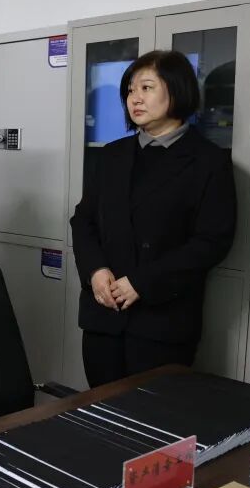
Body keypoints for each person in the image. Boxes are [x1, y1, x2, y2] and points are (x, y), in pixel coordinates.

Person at [70, 49, 236, 387]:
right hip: (104, 318)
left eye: (146, 88)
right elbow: (84, 221)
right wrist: (95, 271)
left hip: (162, 325)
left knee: (152, 413)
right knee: (99, 409)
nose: (135, 98)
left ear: (177, 90)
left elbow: (211, 242)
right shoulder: (112, 156)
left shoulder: (208, 162)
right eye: (130, 90)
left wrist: (142, 282)